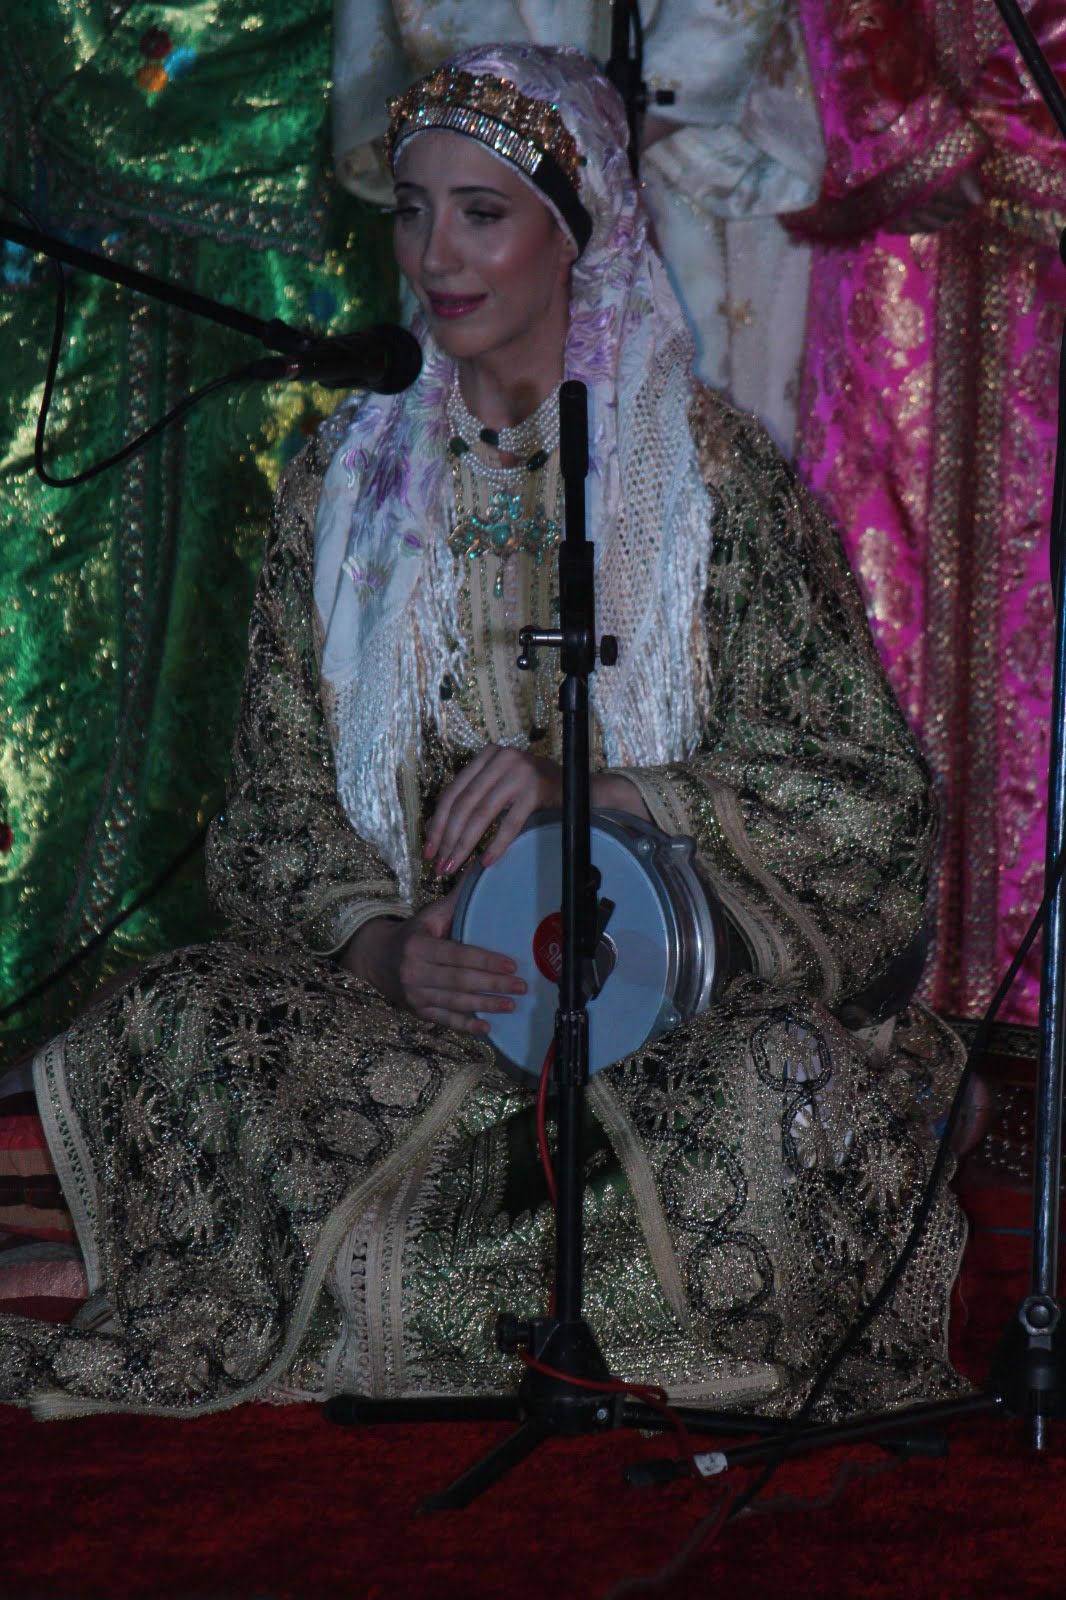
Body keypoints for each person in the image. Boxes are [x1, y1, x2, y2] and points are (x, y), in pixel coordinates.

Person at [1, 44, 966, 1423]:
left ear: (580, 234)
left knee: (778, 1091)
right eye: (412, 211)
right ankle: (392, 1283)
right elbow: (272, 808)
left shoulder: (706, 480)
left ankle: (325, 1283)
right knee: (176, 1018)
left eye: (481, 212)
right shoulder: (343, 485)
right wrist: (382, 948)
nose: (435, 255)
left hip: (657, 1032)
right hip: (413, 1025)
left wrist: (610, 789)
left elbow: (867, 791)